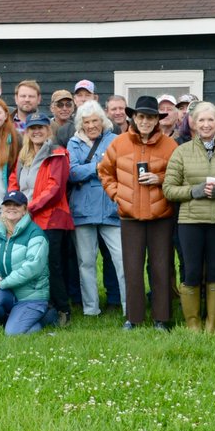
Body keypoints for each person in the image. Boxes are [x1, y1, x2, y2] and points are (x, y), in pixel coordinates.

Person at [99, 95, 178, 330]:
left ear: (157, 120)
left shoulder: (170, 146)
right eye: (141, 116)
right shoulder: (119, 143)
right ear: (133, 117)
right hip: (129, 216)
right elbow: (104, 172)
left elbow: (178, 176)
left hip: (161, 216)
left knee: (161, 266)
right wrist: (117, 195)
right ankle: (133, 317)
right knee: (131, 267)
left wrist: (160, 179)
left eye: (151, 117)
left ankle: (161, 317)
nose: (145, 121)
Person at [163, 101, 215, 332]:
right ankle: (193, 323)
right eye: (201, 120)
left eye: (211, 120)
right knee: (192, 271)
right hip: (190, 221)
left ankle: (212, 324)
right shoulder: (181, 151)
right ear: (193, 123)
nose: (206, 125)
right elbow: (168, 189)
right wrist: (193, 191)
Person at [9, 112, 74, 325]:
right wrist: (14, 203)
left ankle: (63, 308)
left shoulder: (58, 153)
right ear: (27, 131)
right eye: (32, 128)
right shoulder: (23, 155)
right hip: (26, 217)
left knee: (51, 265)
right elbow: (13, 181)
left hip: (50, 219)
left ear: (48, 130)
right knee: (31, 264)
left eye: (41, 127)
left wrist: (27, 208)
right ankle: (41, 306)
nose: (37, 131)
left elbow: (54, 188)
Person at [67, 101, 125, 318]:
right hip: (82, 211)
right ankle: (91, 309)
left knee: (121, 260)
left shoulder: (116, 140)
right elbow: (72, 173)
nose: (91, 125)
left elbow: (121, 168)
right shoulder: (74, 142)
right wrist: (100, 166)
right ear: (81, 124)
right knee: (86, 262)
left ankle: (129, 307)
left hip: (111, 208)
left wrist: (87, 170)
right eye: (87, 122)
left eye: (95, 121)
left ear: (103, 121)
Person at [0, 190, 56, 335]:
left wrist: (1, 283)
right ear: (2, 209)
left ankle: (46, 317)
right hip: (7, 294)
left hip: (31, 297)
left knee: (13, 334)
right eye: (7, 204)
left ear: (25, 210)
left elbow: (32, 268)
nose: (11, 208)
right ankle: (9, 320)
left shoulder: (35, 234)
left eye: (16, 205)